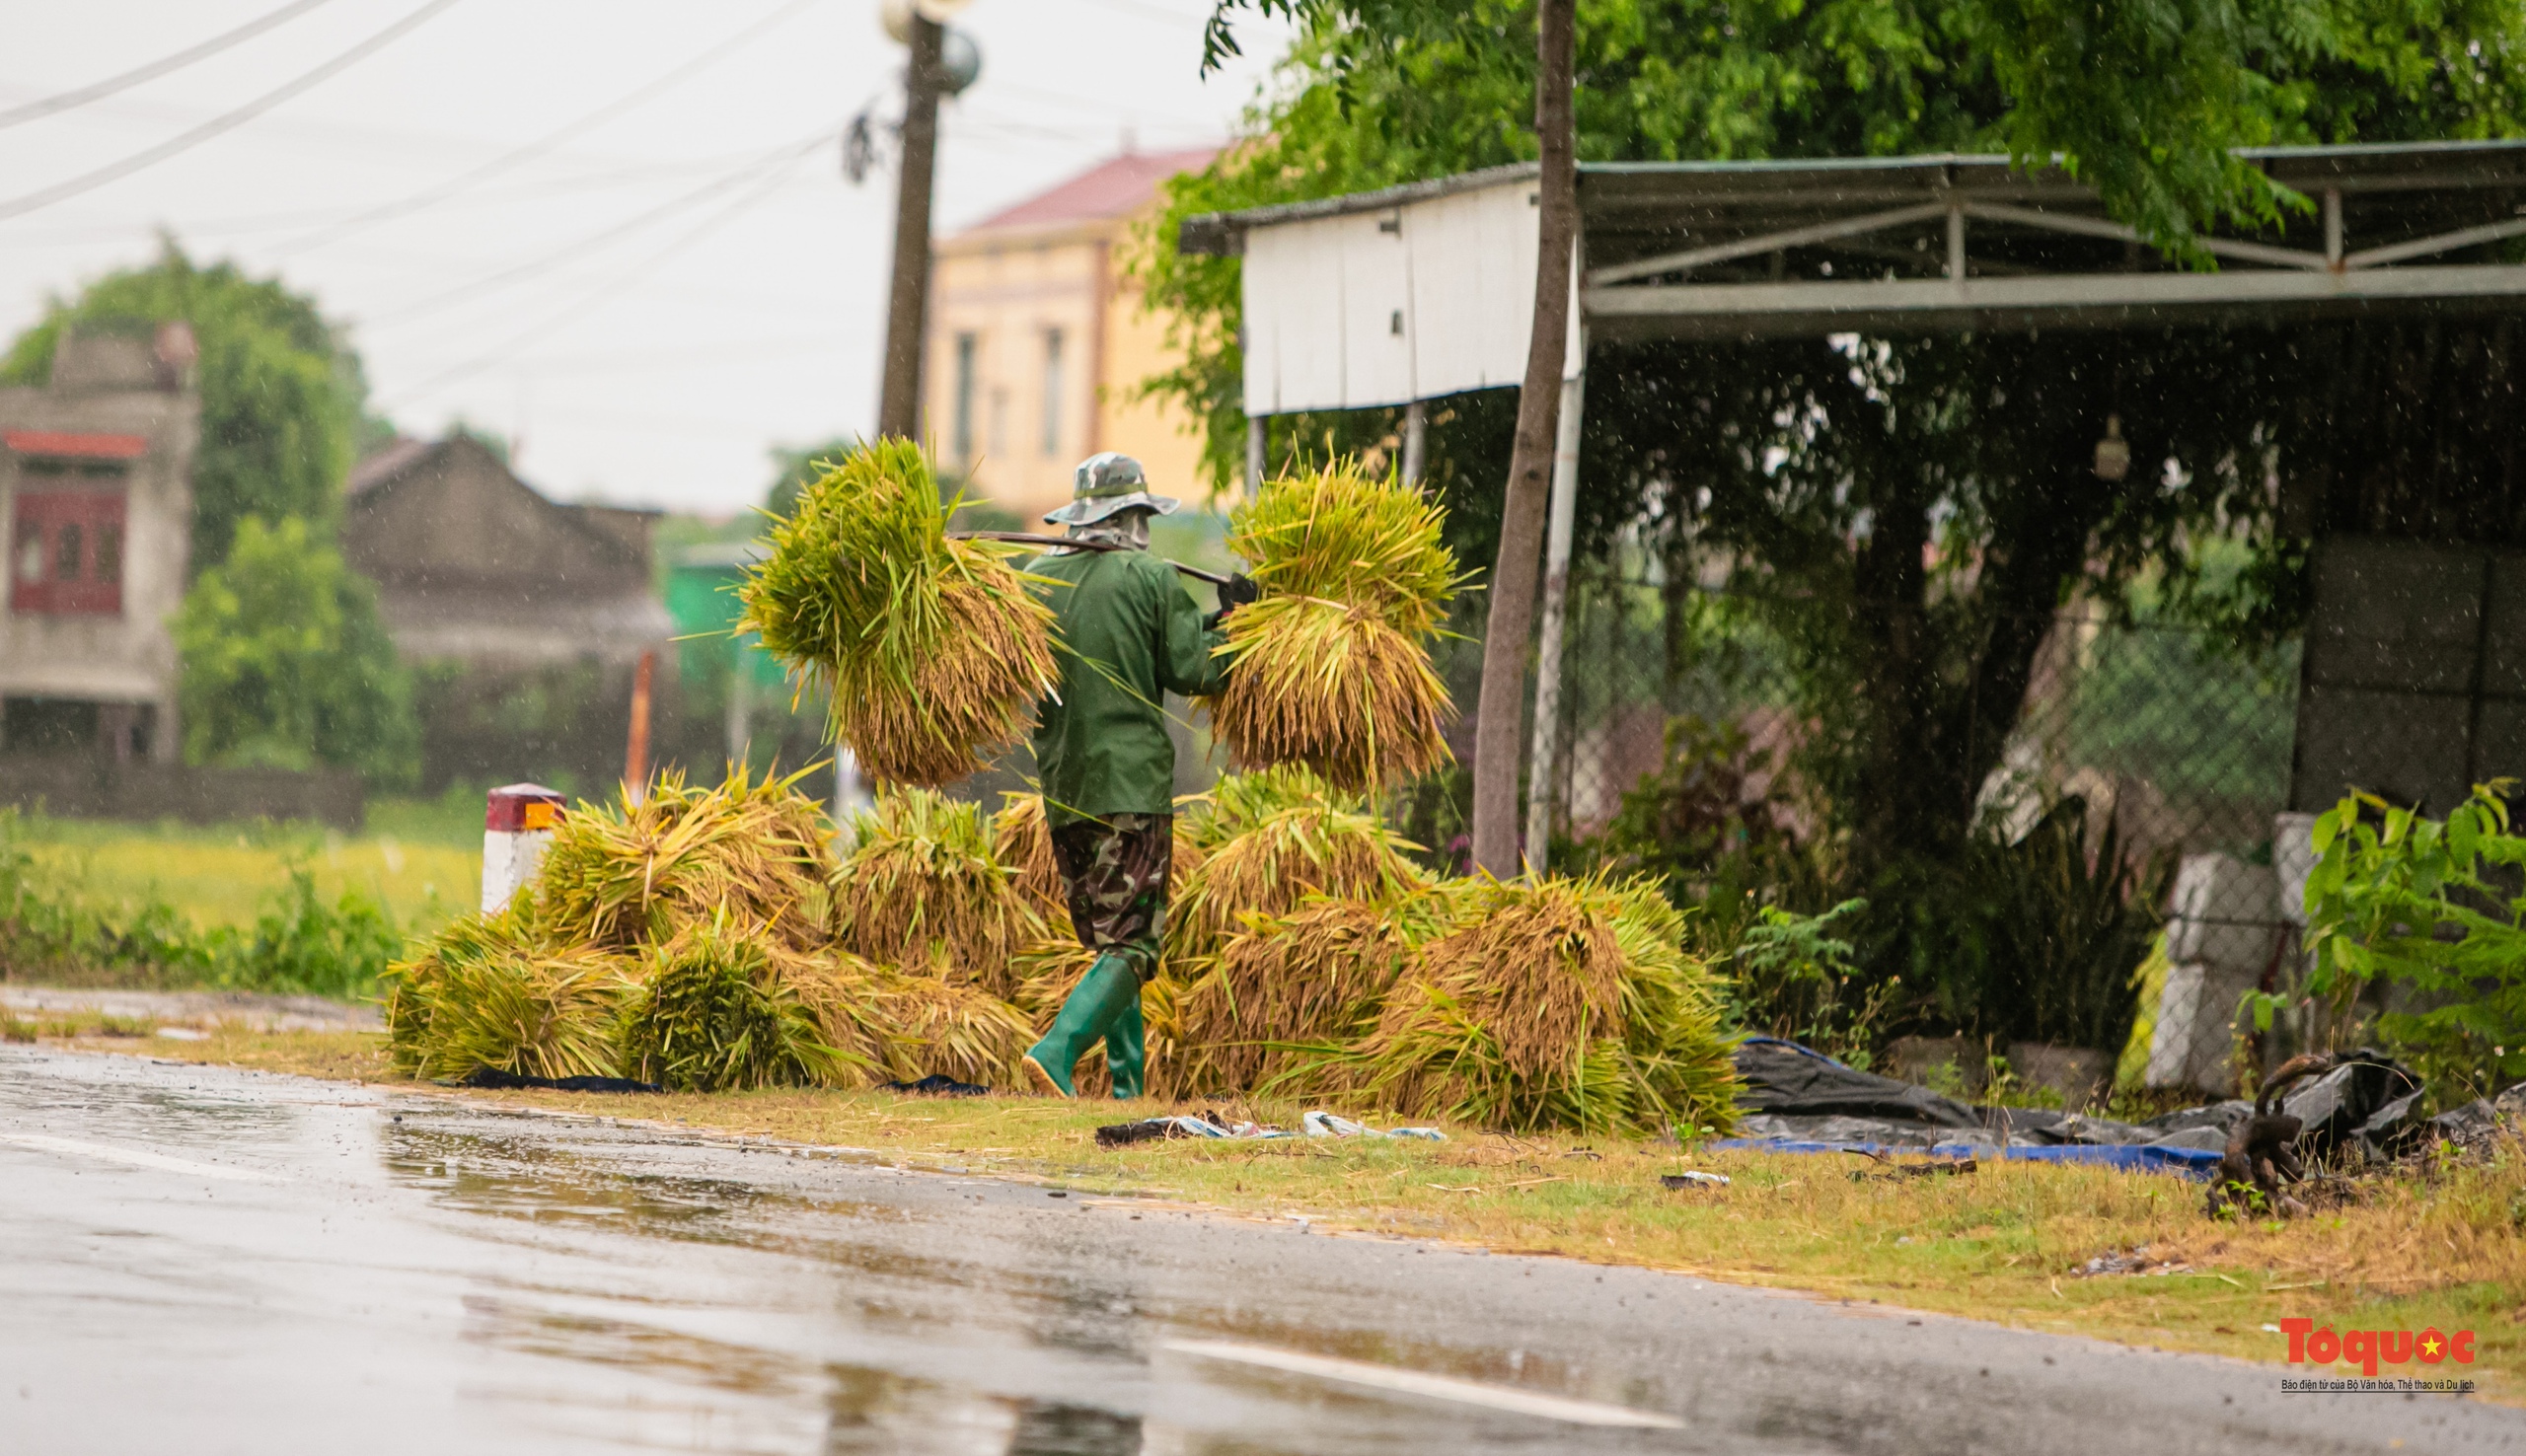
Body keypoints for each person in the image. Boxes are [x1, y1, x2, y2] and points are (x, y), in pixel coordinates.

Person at [1019, 452, 1256, 1098]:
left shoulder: (1036, 581)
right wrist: (1237, 621)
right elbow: (1199, 670)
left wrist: (1211, 620)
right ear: (1131, 518)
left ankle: (1128, 1091)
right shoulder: (1149, 577)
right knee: (1136, 947)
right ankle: (1057, 1048)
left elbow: (1148, 641)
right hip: (1130, 789)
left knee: (1111, 945)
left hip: (1065, 789)